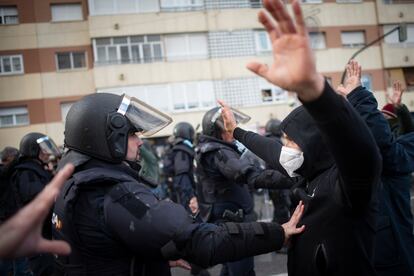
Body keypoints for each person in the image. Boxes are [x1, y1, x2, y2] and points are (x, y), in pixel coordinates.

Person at [52, 92, 305, 276]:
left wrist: (151, 258)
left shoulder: (71, 181)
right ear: (105, 137)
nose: (140, 142)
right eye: (131, 134)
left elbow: (103, 249)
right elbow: (199, 241)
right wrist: (277, 233)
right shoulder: (112, 192)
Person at [219, 0, 382, 275]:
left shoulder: (346, 186)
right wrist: (236, 131)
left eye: (291, 140)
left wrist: (314, 92)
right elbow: (270, 150)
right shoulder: (309, 171)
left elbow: (361, 153)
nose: (284, 146)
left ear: (315, 143)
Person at [195, 106, 295, 276]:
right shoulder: (218, 151)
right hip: (233, 220)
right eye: (226, 128)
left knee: (229, 268)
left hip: (228, 217)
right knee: (242, 269)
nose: (231, 132)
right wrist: (294, 179)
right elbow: (247, 174)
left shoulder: (209, 148)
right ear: (217, 130)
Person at [337, 60, 414, 275]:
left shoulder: (396, 157)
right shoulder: (388, 151)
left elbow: (384, 142)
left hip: (392, 259)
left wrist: (358, 97)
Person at [11, 133, 61, 276]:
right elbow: (38, 198)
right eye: (42, 150)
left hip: (43, 233)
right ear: (33, 151)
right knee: (45, 269)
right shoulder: (27, 172)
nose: (46, 153)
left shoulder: (36, 169)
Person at [265, 119, 292, 224]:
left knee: (278, 210)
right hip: (279, 183)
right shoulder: (276, 143)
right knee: (282, 212)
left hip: (270, 182)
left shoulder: (265, 142)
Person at [169, 122, 196, 212]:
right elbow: (182, 175)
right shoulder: (182, 150)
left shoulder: (181, 148)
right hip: (186, 193)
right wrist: (191, 196)